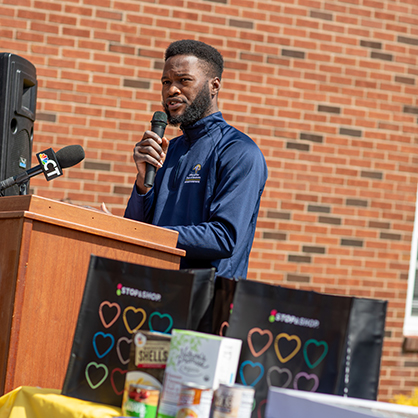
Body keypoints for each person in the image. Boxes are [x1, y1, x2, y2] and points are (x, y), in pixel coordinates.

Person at [124, 39, 267, 278]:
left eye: (184, 80)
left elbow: (224, 237)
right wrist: (142, 183)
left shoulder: (239, 151)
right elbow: (137, 230)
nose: (172, 90)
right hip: (155, 291)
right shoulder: (167, 150)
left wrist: (150, 234)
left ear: (214, 86)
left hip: (204, 302)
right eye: (166, 82)